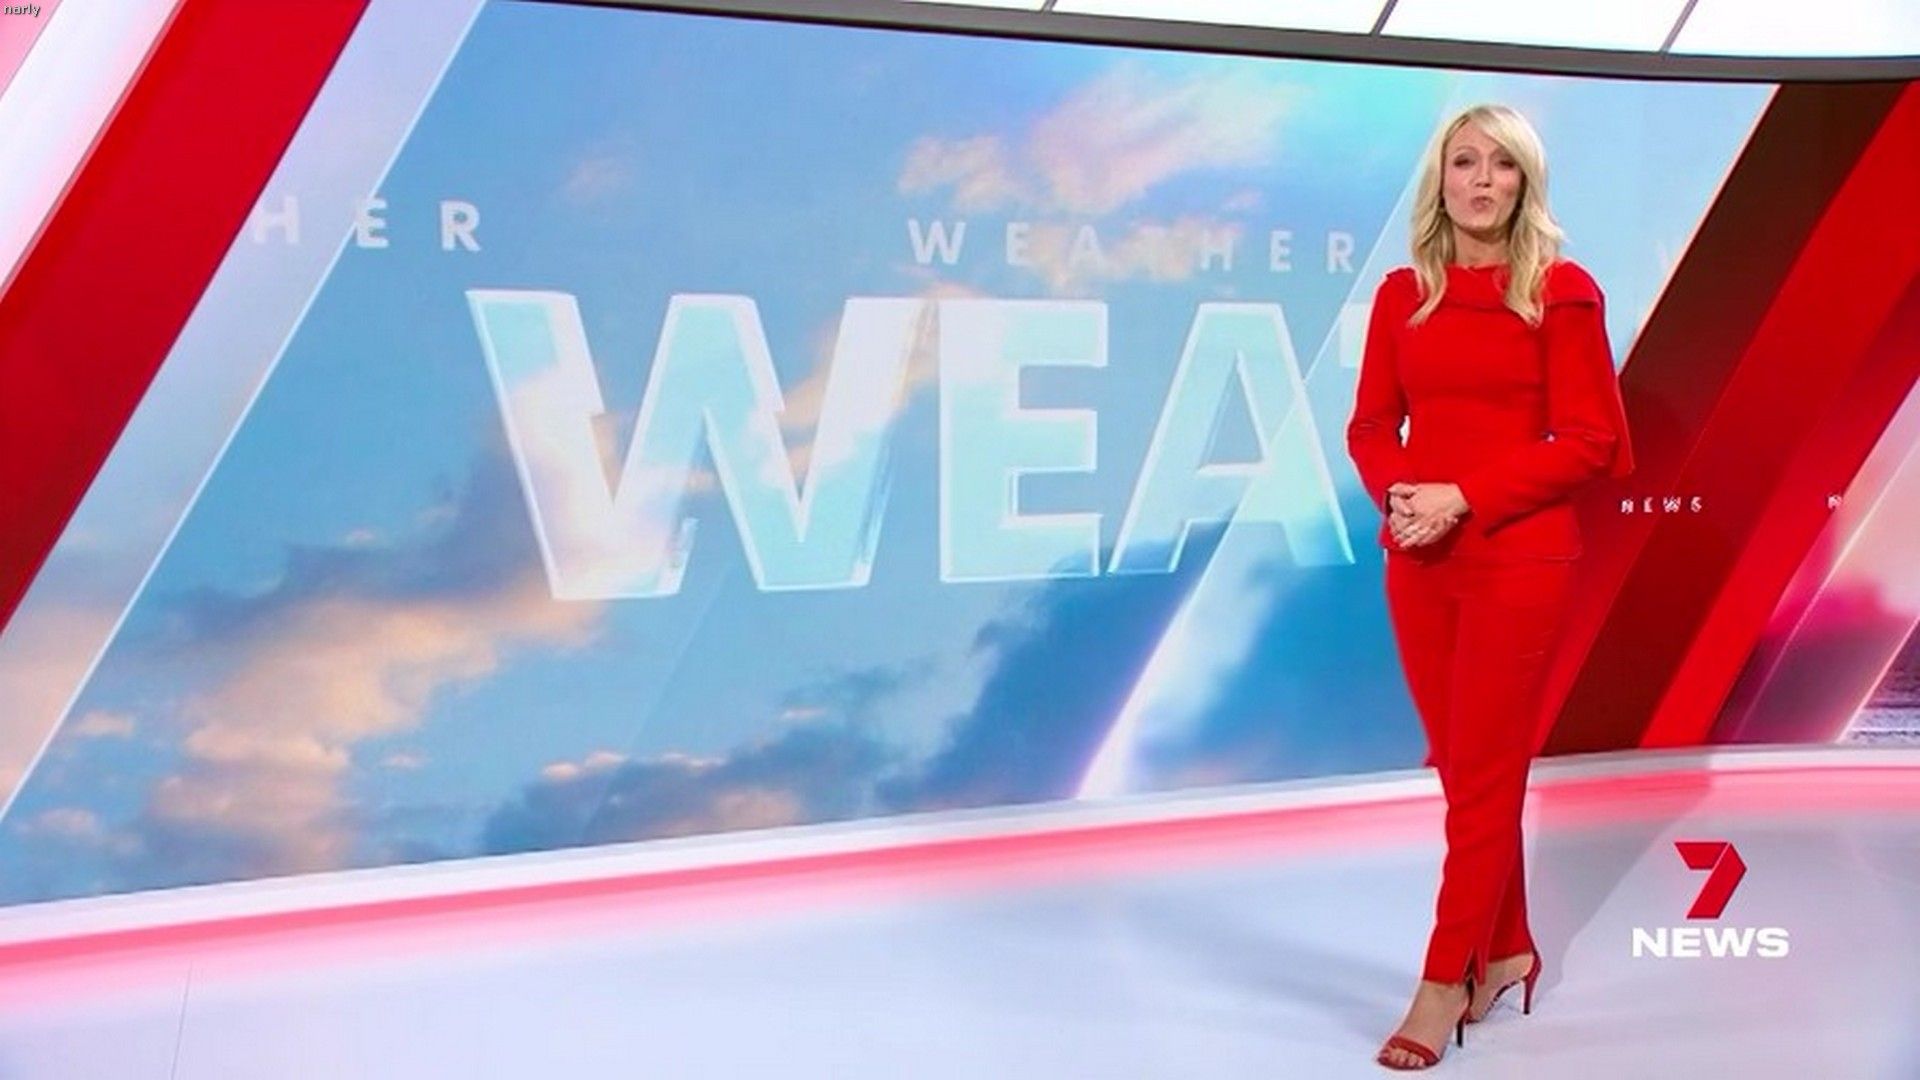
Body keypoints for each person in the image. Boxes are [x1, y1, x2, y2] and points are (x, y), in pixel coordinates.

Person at [1346, 103, 1635, 1070]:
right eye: (1464, 162)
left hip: (1520, 557)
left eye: (1501, 165)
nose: (1481, 181)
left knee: (1484, 775)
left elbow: (1590, 441)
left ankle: (1444, 979)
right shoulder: (1403, 296)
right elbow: (1370, 426)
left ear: (1524, 182)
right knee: (1468, 772)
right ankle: (1508, 948)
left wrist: (1464, 496)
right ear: (1440, 179)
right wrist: (1403, 495)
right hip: (1420, 557)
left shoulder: (1560, 292)